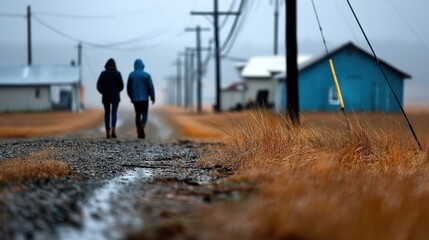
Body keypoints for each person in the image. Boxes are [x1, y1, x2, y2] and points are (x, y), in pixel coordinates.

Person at [127, 59, 155, 139]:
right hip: (144, 99)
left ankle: (139, 130)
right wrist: (152, 97)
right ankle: (142, 126)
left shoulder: (131, 75)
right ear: (142, 65)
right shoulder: (146, 75)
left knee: (138, 114)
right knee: (145, 114)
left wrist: (131, 96)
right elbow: (151, 87)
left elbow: (128, 88)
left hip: (135, 99)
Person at [97, 58, 124, 139]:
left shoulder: (103, 74)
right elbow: (121, 86)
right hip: (115, 96)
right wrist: (116, 91)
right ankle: (113, 131)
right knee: (114, 113)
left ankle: (107, 132)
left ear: (106, 65)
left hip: (105, 97)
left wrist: (103, 92)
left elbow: (98, 86)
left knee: (107, 113)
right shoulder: (117, 74)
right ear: (114, 65)